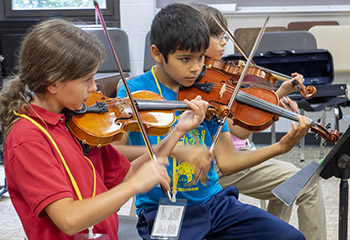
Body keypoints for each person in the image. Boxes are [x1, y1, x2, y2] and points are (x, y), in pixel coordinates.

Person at [0, 19, 210, 240]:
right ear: (52, 83)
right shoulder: (28, 138)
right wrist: (135, 187)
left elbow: (126, 175)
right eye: (87, 79)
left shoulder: (77, 122)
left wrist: (177, 132)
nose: (94, 88)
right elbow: (68, 220)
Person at [116, 3, 310, 240]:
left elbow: (227, 161)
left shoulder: (210, 92)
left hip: (214, 203)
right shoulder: (134, 92)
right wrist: (173, 148)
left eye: (200, 58)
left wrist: (281, 147)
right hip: (162, 209)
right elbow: (114, 153)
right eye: (185, 59)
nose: (196, 68)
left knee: (291, 237)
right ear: (157, 53)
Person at [190, 3, 327, 240]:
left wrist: (279, 93)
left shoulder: (219, 75)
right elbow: (239, 129)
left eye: (225, 36)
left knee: (290, 184)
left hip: (236, 155)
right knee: (305, 182)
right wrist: (278, 98)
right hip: (219, 167)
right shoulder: (197, 80)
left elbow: (241, 113)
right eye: (218, 36)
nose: (224, 42)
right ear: (196, 39)